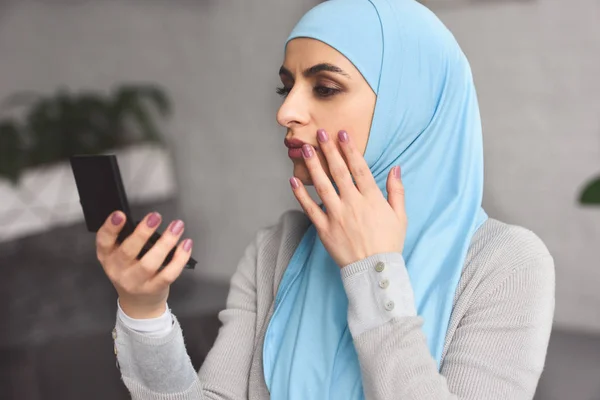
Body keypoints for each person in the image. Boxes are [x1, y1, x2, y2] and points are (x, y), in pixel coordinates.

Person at [97, 0, 555, 399]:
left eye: (325, 87)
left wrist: (374, 270)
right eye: (286, 86)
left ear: (407, 106)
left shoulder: (506, 264)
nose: (285, 112)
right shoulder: (277, 248)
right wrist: (145, 311)